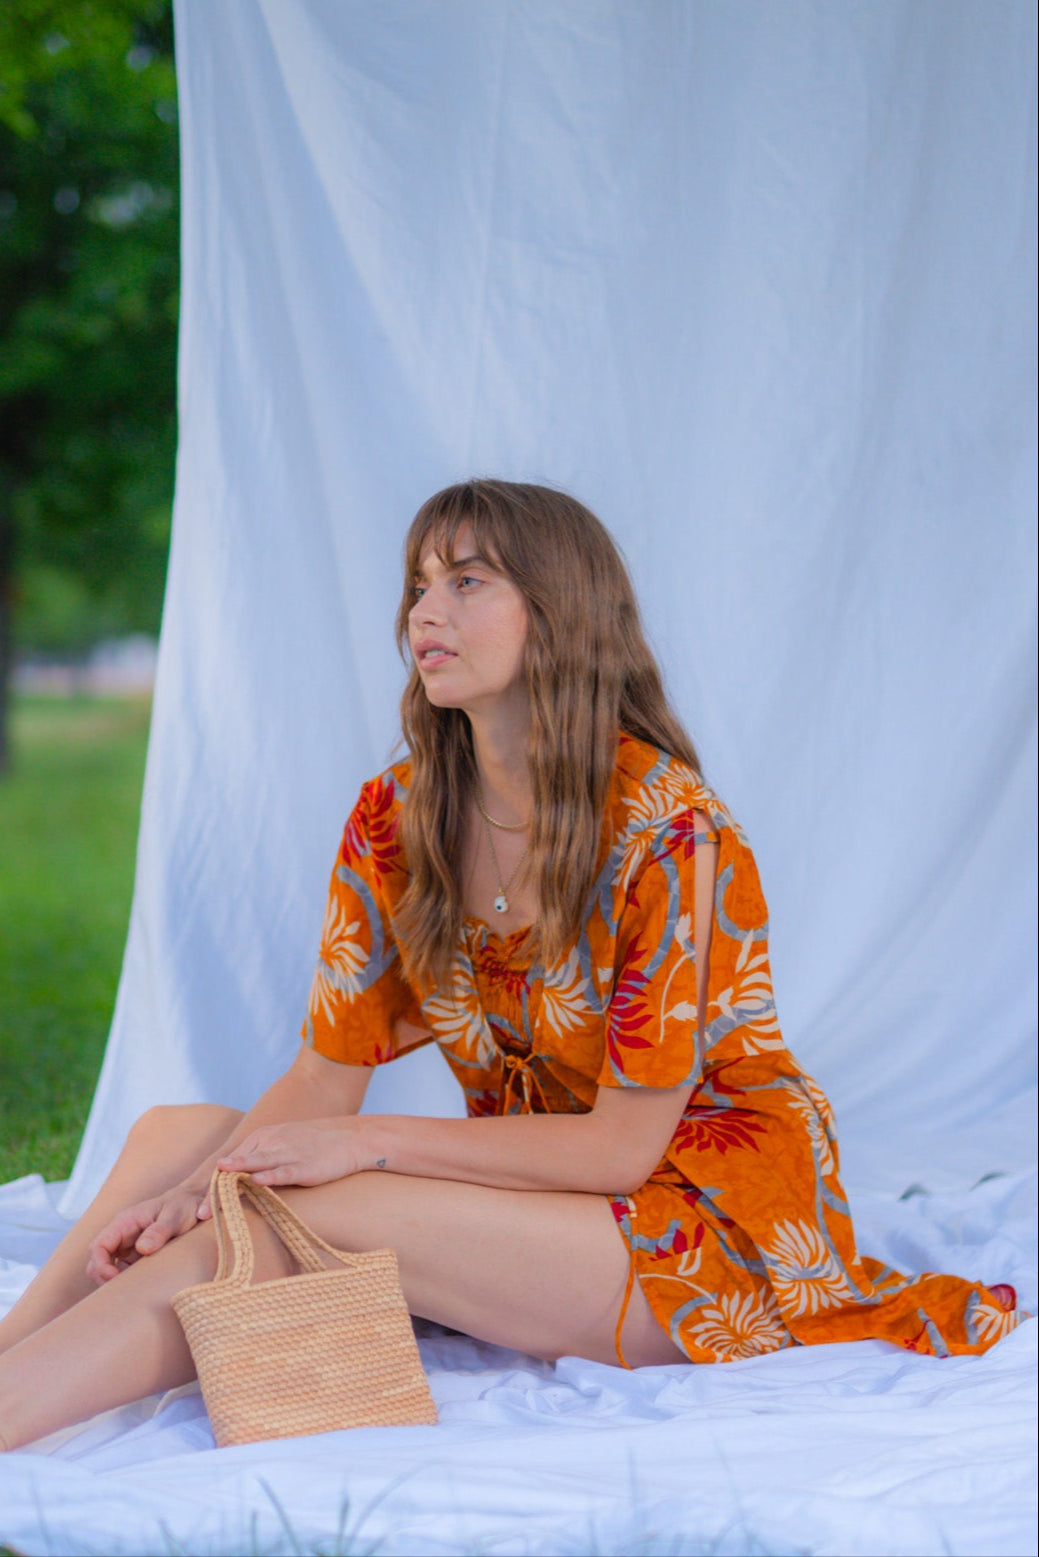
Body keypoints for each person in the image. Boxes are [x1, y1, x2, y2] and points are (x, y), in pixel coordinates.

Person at [0, 479, 1022, 1452]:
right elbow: (323, 1076)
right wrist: (198, 1188)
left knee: (317, 1205)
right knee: (178, 1139)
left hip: (702, 1220)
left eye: (467, 580)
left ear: (560, 614)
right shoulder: (392, 821)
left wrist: (364, 1150)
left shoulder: (669, 835)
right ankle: (13, 1360)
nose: (423, 612)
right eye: (417, 583)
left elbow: (622, 1151)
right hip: (548, 1209)